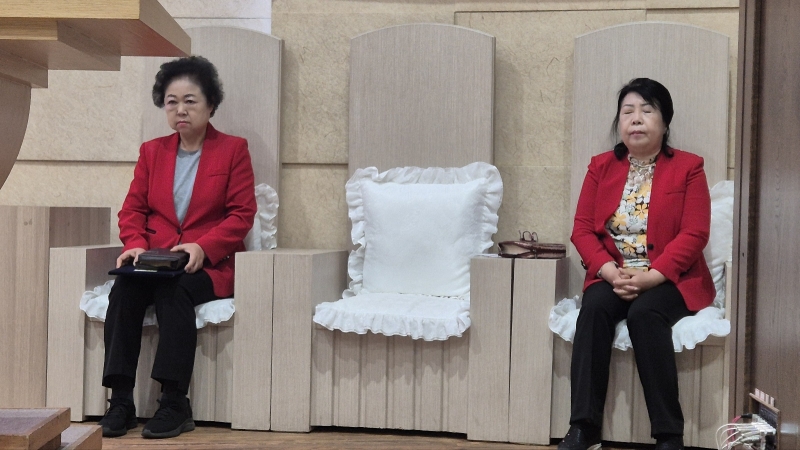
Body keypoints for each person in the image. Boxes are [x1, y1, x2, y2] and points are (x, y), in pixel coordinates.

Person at [98, 56, 257, 439]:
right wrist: (136, 245)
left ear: (210, 104)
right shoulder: (152, 152)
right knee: (124, 290)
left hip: (207, 265)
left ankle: (173, 402)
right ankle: (120, 401)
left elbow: (242, 214)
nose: (180, 109)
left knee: (175, 292)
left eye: (190, 101)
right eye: (172, 101)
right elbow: (133, 209)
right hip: (155, 260)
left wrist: (203, 246)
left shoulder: (233, 149)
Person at [559, 78, 715, 450]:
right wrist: (608, 271)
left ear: (665, 122)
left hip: (670, 278)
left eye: (647, 110)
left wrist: (652, 277)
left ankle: (669, 435)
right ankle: (583, 428)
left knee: (645, 314)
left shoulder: (689, 167)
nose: (636, 119)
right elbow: (582, 229)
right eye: (628, 111)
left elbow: (695, 233)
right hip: (613, 273)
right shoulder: (600, 167)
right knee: (593, 310)